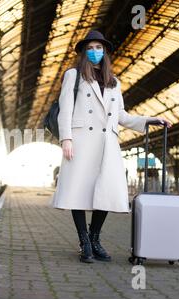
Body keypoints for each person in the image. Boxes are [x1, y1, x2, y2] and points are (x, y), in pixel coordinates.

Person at [50, 30, 172, 263]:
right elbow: (65, 110)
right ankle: (84, 241)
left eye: (99, 48)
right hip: (81, 142)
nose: (95, 52)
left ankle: (95, 239)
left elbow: (121, 116)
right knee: (78, 192)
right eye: (90, 48)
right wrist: (66, 139)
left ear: (105, 52)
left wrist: (150, 120)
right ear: (84, 52)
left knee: (105, 192)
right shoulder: (73, 75)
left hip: (107, 145)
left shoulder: (114, 83)